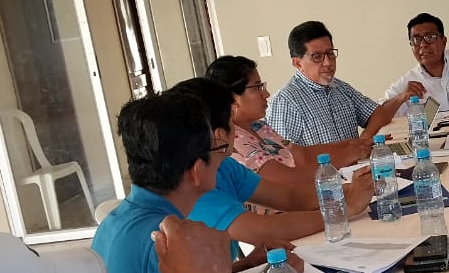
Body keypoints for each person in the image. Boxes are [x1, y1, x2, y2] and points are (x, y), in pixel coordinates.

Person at [91, 91, 272, 273]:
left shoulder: (112, 223)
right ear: (196, 171)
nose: (222, 158)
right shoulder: (170, 238)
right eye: (216, 150)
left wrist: (242, 265)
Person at [172, 76, 373, 252]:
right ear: (219, 134)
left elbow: (289, 196)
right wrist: (346, 208)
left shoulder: (223, 165)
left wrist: (350, 190)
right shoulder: (191, 183)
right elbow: (265, 229)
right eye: (230, 118)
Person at [206, 54, 369, 176]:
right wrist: (346, 156)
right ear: (232, 98)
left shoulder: (259, 127)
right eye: (256, 88)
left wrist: (352, 144)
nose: (266, 94)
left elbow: (302, 155)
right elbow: (289, 180)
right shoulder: (233, 140)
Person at [266, 21, 415, 146]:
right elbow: (283, 159)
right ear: (297, 63)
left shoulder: (340, 87)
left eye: (330, 53)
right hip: (324, 172)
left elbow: (377, 114)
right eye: (317, 57)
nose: (328, 62)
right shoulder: (285, 102)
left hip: (357, 167)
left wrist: (363, 141)